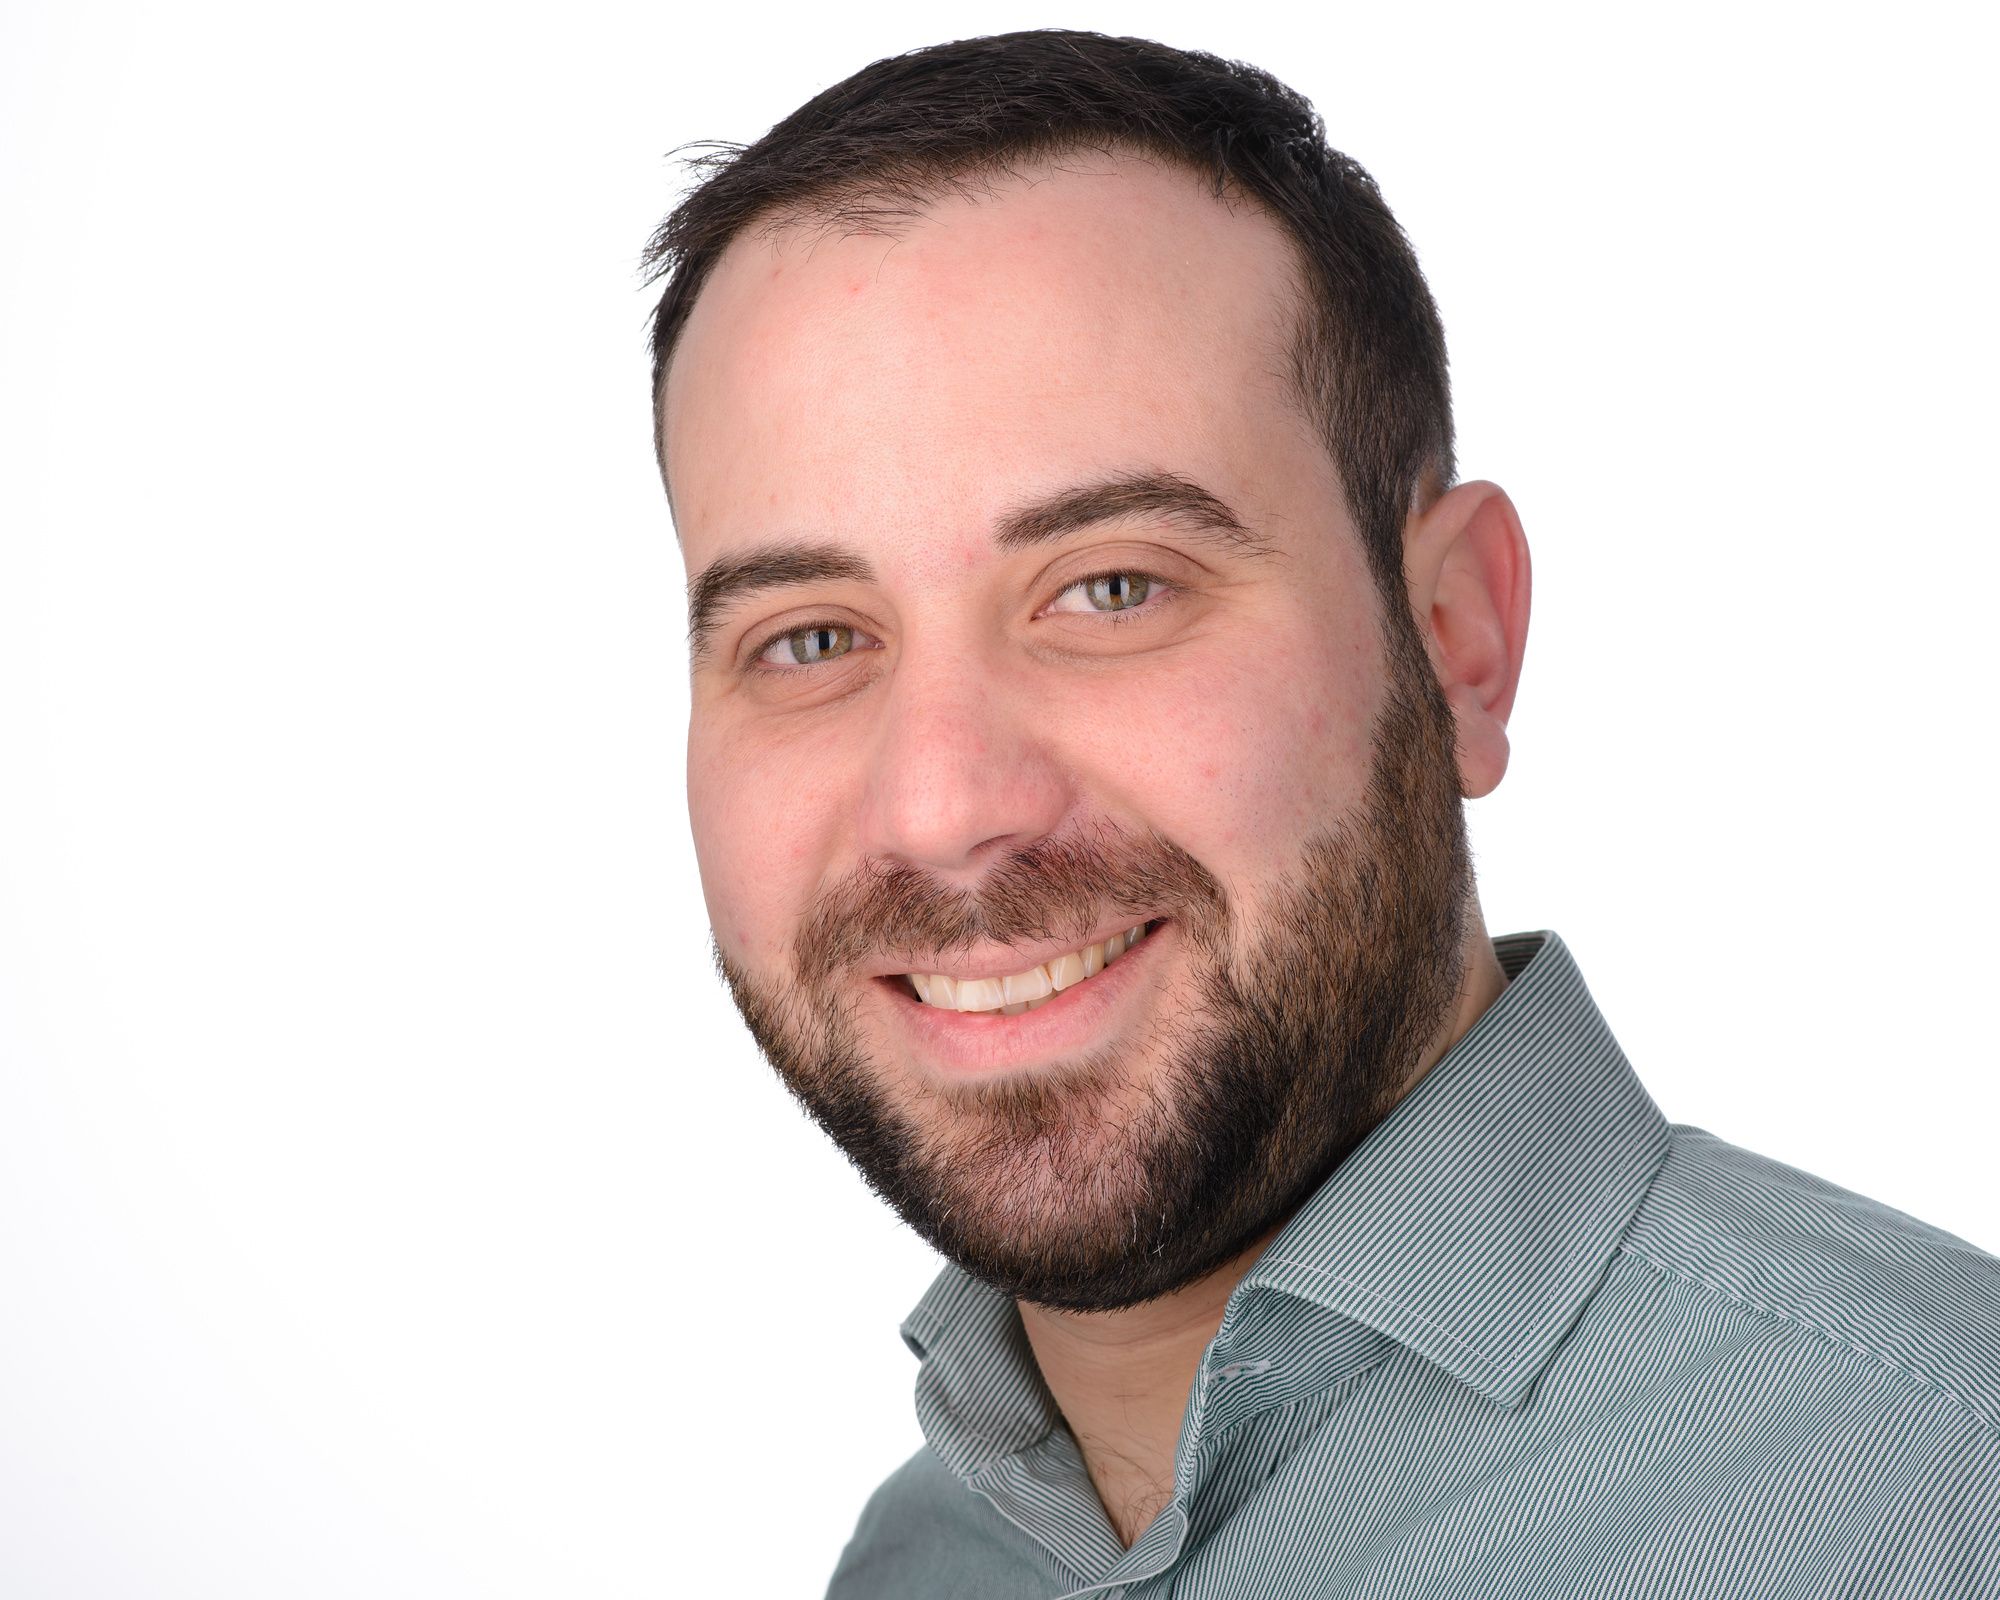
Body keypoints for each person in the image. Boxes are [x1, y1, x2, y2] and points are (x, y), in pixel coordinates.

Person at [641, 29, 2000, 1598]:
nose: (943, 807)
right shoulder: (922, 1567)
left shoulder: (1944, 1499)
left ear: (1458, 641)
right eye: (808, 638)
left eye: (1111, 587)